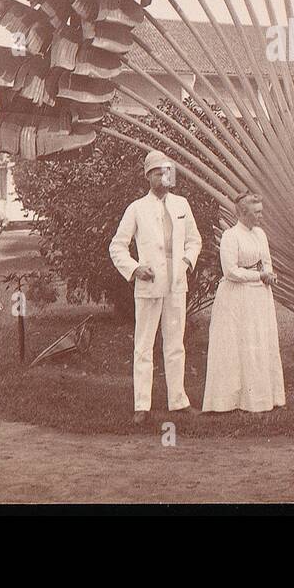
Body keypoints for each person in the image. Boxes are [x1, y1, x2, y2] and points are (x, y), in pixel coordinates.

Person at [109, 150, 202, 425]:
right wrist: (135, 268)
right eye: (159, 172)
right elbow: (117, 246)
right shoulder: (136, 208)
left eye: (168, 171)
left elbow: (195, 240)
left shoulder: (182, 205)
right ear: (148, 176)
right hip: (149, 285)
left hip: (176, 283)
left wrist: (186, 262)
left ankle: (178, 401)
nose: (165, 176)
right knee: (144, 344)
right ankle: (142, 404)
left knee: (175, 343)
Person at [202, 192, 286, 414]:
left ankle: (260, 398)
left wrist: (269, 274)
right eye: (256, 212)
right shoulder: (231, 236)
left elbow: (266, 262)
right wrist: (259, 276)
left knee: (258, 342)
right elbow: (230, 272)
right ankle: (230, 401)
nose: (261, 216)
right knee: (236, 345)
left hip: (259, 296)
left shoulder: (260, 234)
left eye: (261, 211)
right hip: (236, 298)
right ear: (242, 213)